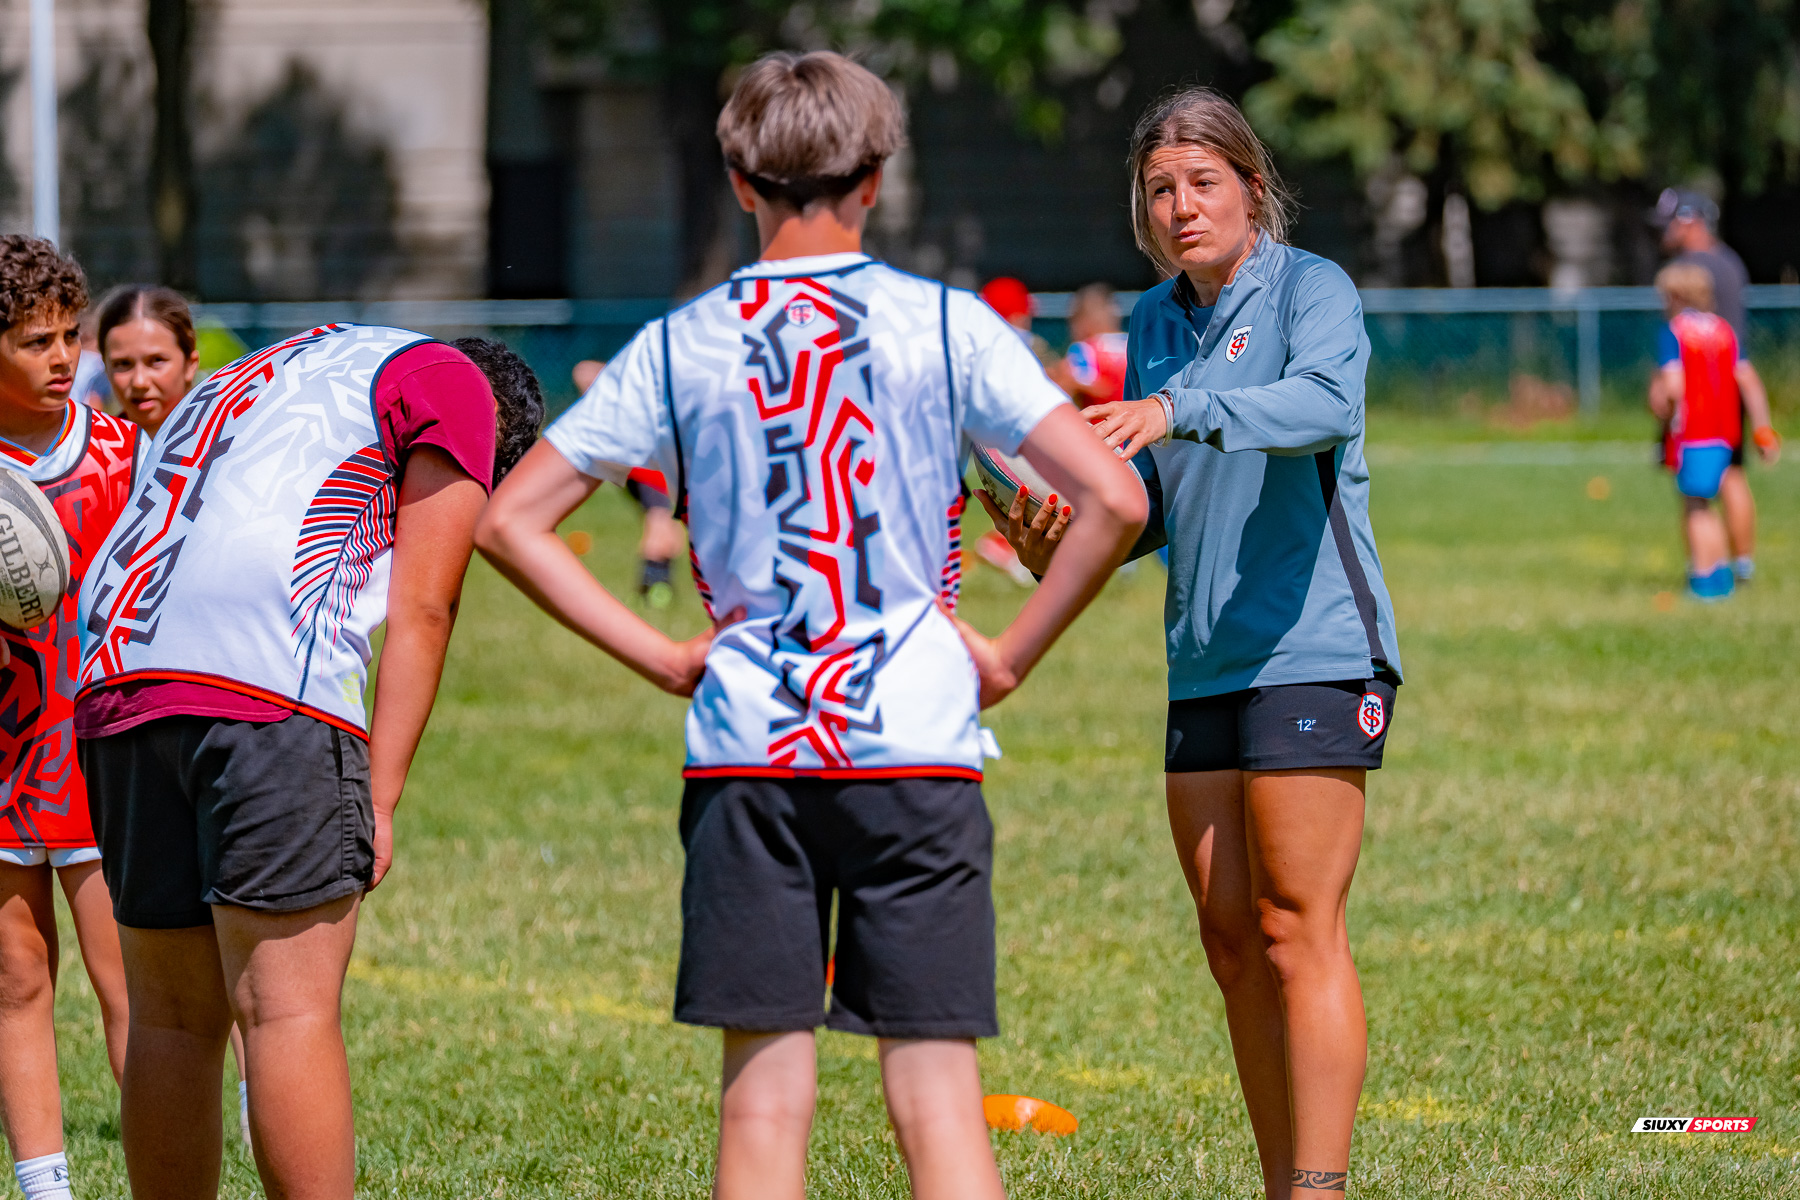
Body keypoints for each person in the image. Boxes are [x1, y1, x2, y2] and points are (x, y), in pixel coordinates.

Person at [476, 51, 1144, 1200]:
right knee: (939, 1103)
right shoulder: (949, 326)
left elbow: (510, 521)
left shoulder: (681, 342)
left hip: (749, 749)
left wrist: (667, 657)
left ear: (739, 180)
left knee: (763, 1105)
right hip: (916, 744)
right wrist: (1008, 655)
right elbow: (1116, 500)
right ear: (875, 178)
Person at [988, 88, 1401, 1200]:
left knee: (1294, 926)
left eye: (1204, 183)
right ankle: (1279, 1185)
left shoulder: (1312, 289)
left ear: (1252, 188)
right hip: (1203, 657)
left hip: (1315, 648)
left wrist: (1176, 410)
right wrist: (1063, 538)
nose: (1182, 207)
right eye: (1161, 189)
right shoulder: (1157, 321)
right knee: (1230, 940)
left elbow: (1323, 407)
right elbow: (1162, 505)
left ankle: (1320, 1191)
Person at [74, 327, 543, 1199]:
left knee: (169, 1020)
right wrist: (381, 800)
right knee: (287, 1012)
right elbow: (425, 607)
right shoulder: (453, 386)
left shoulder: (273, 363)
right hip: (264, 679)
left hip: (115, 679)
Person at [0, 235, 138, 1200]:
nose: (63, 358)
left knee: (131, 980)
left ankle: (169, 1170)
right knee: (17, 977)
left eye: (70, 336)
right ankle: (45, 1187)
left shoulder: (125, 454)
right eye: (34, 341)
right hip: (8, 756)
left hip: (103, 751)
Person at [1656, 188, 1770, 582]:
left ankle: (1706, 573)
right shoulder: (1731, 262)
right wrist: (1763, 426)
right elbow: (1742, 361)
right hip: (1728, 393)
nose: (1663, 233)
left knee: (1697, 500)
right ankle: (1742, 564)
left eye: (1669, 223)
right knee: (1732, 476)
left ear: (1689, 221)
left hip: (1697, 404)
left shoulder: (1688, 269)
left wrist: (1663, 400)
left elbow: (1674, 379)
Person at [1646, 262, 1778, 601]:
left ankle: (1703, 580)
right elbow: (1748, 380)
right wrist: (1762, 429)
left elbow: (1674, 386)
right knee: (1709, 503)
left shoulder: (1675, 332)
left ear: (1675, 296)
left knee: (1695, 507)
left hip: (1693, 432)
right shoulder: (1723, 330)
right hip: (1725, 432)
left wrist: (1663, 411)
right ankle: (1721, 577)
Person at [572, 358, 684, 608]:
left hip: (659, 468)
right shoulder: (636, 391)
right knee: (659, 522)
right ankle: (651, 586)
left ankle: (658, 583)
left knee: (671, 528)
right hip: (644, 470)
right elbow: (583, 371)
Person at [96, 285, 201, 437]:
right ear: (106, 367)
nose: (139, 382)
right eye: (123, 364)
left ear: (190, 364)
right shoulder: (89, 449)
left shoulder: (227, 444)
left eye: (156, 361)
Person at [1051, 283, 1129, 409]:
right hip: (1138, 418)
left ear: (1083, 320)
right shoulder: (1133, 343)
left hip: (1100, 418)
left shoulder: (1084, 349)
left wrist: (1064, 379)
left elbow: (1099, 388)